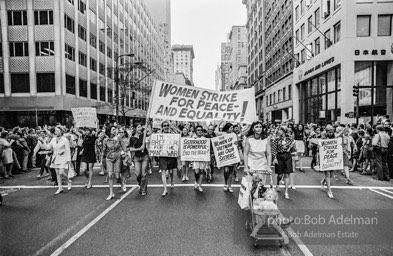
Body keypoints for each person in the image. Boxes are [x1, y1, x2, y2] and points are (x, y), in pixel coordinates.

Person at [243, 121, 272, 186]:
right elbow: (246, 154)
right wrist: (246, 167)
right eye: (256, 127)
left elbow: (269, 154)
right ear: (253, 129)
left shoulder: (266, 138)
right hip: (251, 162)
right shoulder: (249, 139)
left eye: (260, 127)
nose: (259, 128)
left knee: (261, 184)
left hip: (262, 162)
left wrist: (268, 167)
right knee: (251, 183)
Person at [101, 125, 126, 200]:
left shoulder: (119, 138)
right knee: (110, 175)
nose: (115, 131)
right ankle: (111, 193)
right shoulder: (105, 140)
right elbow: (103, 150)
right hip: (109, 158)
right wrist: (101, 160)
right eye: (113, 129)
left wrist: (125, 154)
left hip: (117, 158)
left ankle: (122, 183)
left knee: (117, 176)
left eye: (115, 129)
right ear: (109, 131)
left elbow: (124, 147)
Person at [46, 125, 72, 195]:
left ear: (61, 131)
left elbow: (68, 150)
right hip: (55, 158)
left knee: (61, 172)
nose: (56, 132)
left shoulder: (65, 140)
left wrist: (69, 160)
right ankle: (60, 188)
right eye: (55, 131)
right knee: (57, 173)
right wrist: (45, 142)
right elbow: (48, 147)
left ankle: (68, 181)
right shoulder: (53, 139)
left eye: (57, 131)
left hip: (63, 158)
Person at [271, 126, 295, 200]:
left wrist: (293, 148)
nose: (279, 131)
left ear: (284, 131)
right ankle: (278, 183)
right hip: (279, 156)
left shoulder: (290, 139)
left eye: (281, 130)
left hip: (287, 156)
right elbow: (273, 149)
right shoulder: (276, 139)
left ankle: (286, 192)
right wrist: (274, 158)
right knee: (280, 174)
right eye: (279, 130)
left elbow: (293, 149)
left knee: (287, 174)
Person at [158, 121, 179, 197]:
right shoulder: (159, 135)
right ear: (162, 127)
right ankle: (165, 189)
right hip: (163, 156)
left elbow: (178, 136)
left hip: (171, 155)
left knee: (171, 171)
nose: (166, 127)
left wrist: (173, 128)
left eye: (167, 125)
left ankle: (172, 181)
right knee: (163, 171)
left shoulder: (172, 134)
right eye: (164, 125)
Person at [128, 123, 149, 196]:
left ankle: (144, 190)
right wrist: (139, 149)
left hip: (145, 156)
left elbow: (150, 132)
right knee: (137, 174)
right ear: (135, 129)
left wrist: (148, 124)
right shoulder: (132, 138)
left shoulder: (143, 135)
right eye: (138, 127)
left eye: (141, 127)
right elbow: (130, 148)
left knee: (144, 174)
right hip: (137, 157)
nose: (140, 128)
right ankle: (140, 183)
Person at [320, 125, 336, 199]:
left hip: (332, 157)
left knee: (331, 174)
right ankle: (329, 190)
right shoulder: (323, 138)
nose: (331, 133)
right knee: (328, 173)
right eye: (329, 132)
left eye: (332, 132)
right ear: (326, 132)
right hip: (325, 158)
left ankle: (323, 181)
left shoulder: (334, 138)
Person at [192, 125, 209, 192]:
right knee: (196, 172)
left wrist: (207, 160)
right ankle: (196, 181)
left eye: (201, 130)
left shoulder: (205, 139)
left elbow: (207, 149)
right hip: (195, 158)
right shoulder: (193, 138)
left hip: (202, 158)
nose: (199, 131)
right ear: (196, 131)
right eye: (198, 130)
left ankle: (199, 185)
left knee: (201, 171)